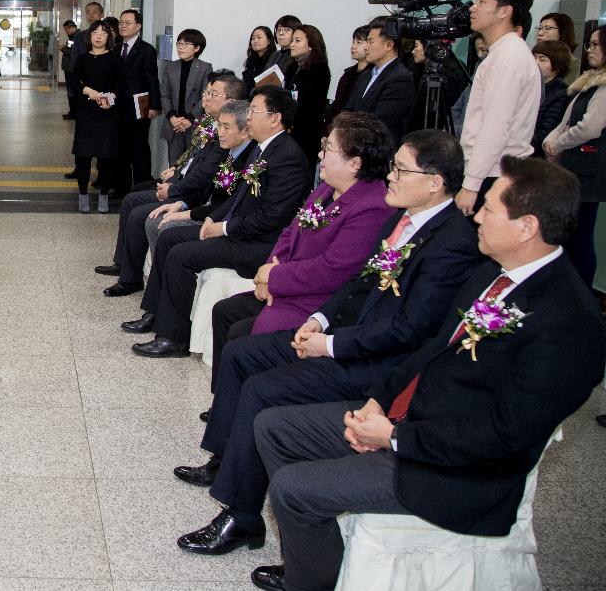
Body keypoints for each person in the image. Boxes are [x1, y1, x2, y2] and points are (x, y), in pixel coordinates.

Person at [249, 156, 605, 591]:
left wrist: (393, 438)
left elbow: (506, 434)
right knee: (274, 426)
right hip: (409, 420)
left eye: (489, 209)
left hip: (458, 470)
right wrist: (378, 402)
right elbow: (432, 349)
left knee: (292, 488)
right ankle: (320, 560)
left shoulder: (570, 322)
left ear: (526, 226)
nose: (475, 214)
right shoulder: (493, 273)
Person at [172, 130, 477, 560]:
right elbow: (358, 284)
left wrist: (331, 344)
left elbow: (410, 330)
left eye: (401, 170)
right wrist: (320, 319)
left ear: (434, 182)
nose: (390, 176)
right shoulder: (402, 219)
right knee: (242, 354)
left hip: (377, 366)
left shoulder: (451, 244)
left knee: (263, 390)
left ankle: (242, 515)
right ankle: (225, 462)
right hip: (346, 337)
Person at [205, 113, 395, 380]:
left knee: (243, 338)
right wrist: (268, 271)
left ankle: (248, 399)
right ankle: (226, 401)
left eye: (328, 149)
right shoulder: (327, 188)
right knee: (225, 313)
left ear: (355, 163)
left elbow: (333, 270)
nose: (320, 155)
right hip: (286, 285)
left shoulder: (372, 207)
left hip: (315, 300)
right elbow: (289, 232)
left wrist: (275, 278)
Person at [123, 86, 311, 356]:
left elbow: (273, 217)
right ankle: (155, 314)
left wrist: (222, 228)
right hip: (242, 231)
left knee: (181, 255)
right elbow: (236, 200)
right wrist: (212, 219)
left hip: (260, 243)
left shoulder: (287, 157)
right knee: (169, 238)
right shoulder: (264, 149)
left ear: (274, 118)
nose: (249, 118)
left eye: (254, 111)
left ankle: (173, 338)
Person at [101, 89, 252, 297]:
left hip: (197, 199)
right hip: (187, 190)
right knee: (133, 198)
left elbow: (204, 179)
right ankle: (127, 267)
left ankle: (141, 282)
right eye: (206, 92)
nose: (205, 97)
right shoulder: (211, 125)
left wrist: (176, 194)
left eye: (213, 94)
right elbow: (192, 159)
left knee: (145, 216)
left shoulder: (233, 145)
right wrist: (175, 174)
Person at [457, 0, 541, 216]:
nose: (473, 8)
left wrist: (471, 184)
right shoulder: (501, 53)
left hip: (494, 173)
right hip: (491, 170)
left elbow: (495, 127)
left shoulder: (508, 58)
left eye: (482, 2)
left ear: (505, 11)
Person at [543, 25, 606, 287]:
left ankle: (581, 292)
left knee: (580, 237)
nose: (589, 49)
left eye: (595, 44)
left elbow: (590, 128)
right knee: (569, 235)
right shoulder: (589, 81)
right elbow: (566, 120)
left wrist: (558, 144)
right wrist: (551, 139)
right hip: (572, 168)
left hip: (587, 172)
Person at [69, 18, 124, 214]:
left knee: (106, 156)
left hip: (108, 113)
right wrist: (88, 91)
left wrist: (111, 98)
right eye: (95, 33)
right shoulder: (82, 59)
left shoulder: (116, 58)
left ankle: (103, 196)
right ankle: (82, 194)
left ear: (109, 37)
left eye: (103, 33)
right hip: (86, 112)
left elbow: (121, 84)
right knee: (83, 156)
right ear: (89, 37)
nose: (98, 36)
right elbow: (74, 82)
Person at [343, 18, 415, 145]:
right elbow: (349, 109)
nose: (366, 47)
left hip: (379, 150)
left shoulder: (400, 78)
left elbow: (381, 121)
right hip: (358, 145)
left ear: (389, 45)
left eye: (370, 42)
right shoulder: (366, 75)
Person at [114, 8, 161, 197]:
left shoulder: (146, 50)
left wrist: (155, 105)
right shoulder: (116, 48)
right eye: (121, 22)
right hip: (118, 105)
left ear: (138, 26)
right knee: (120, 147)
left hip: (140, 103)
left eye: (127, 22)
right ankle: (121, 189)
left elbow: (152, 79)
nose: (123, 26)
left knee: (139, 146)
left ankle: (141, 188)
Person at [160, 28, 212, 164]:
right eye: (178, 44)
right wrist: (172, 117)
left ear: (197, 48)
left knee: (192, 164)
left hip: (193, 124)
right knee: (174, 164)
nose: (180, 47)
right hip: (174, 124)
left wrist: (190, 119)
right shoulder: (171, 67)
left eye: (185, 44)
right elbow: (164, 95)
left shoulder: (205, 68)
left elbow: (205, 96)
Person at [64, 2, 103, 171]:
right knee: (82, 135)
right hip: (85, 93)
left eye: (95, 12)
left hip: (105, 95)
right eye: (88, 12)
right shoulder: (81, 37)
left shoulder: (110, 35)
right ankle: (80, 169)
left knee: (104, 136)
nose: (91, 15)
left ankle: (103, 173)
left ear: (101, 13)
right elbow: (75, 64)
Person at [285, 24, 331, 166]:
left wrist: (290, 120)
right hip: (290, 128)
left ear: (311, 44)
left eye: (297, 41)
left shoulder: (319, 69)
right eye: (292, 40)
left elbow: (310, 106)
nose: (292, 44)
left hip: (306, 132)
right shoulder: (293, 67)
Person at [323, 25, 368, 135]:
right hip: (335, 127)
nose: (353, 46)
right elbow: (337, 104)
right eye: (353, 42)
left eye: (359, 42)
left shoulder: (371, 75)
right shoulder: (348, 74)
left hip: (353, 131)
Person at [530, 39, 570, 154]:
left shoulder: (561, 92)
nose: (535, 62)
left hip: (536, 154)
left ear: (557, 65)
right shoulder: (532, 85)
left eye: (542, 59)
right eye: (534, 57)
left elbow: (546, 129)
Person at [536, 11, 580, 80]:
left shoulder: (572, 63)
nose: (540, 33)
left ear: (562, 33)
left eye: (547, 28)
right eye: (540, 28)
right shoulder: (534, 55)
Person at [242, 25, 277, 92]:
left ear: (269, 41)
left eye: (259, 37)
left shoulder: (274, 59)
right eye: (253, 38)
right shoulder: (251, 61)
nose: (255, 41)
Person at [269, 15, 302, 83]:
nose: (281, 33)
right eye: (279, 30)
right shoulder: (274, 54)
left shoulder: (298, 55)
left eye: (286, 30)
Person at [59, 19, 80, 119]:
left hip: (72, 69)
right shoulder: (72, 38)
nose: (66, 32)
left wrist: (63, 49)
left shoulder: (78, 37)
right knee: (70, 91)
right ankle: (72, 112)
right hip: (68, 68)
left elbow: (73, 53)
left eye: (66, 30)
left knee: (72, 91)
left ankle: (74, 113)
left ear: (71, 28)